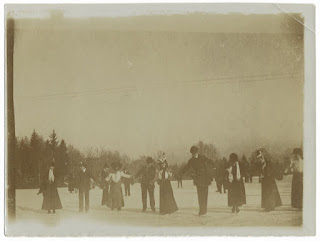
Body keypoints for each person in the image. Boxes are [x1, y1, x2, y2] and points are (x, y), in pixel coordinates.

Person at [179, 146, 214, 216]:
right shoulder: (191, 160)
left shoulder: (203, 158)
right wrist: (180, 173)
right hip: (198, 179)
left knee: (205, 195)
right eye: (192, 153)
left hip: (205, 179)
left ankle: (204, 209)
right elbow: (186, 167)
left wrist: (213, 166)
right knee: (200, 195)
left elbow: (210, 162)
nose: (193, 154)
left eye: (194, 153)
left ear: (197, 152)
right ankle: (202, 210)